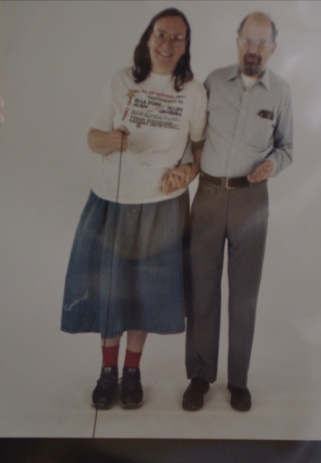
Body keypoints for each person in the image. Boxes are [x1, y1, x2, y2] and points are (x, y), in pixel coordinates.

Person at [0, 34, 321, 388]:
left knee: (156, 298)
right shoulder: (92, 91)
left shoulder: (226, 126)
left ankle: (139, 375)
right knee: (114, 296)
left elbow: (307, 286)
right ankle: (116, 374)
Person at [60, 7, 206, 410]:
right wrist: (112, 141)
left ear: (186, 45)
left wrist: (187, 173)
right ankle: (106, 372)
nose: (167, 43)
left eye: (177, 37)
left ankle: (132, 372)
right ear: (148, 37)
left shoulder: (193, 92)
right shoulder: (121, 80)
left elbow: (199, 150)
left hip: (161, 206)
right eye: (161, 34)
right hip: (112, 200)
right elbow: (92, 138)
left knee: (142, 292)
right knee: (110, 288)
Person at [182, 12, 291, 413]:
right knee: (202, 290)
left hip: (251, 202)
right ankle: (199, 376)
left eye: (262, 43)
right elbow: (193, 132)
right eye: (248, 40)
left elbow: (287, 147)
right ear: (237, 41)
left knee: (243, 297)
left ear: (273, 49)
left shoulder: (280, 92)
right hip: (208, 196)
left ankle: (238, 382)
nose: (254, 49)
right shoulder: (212, 82)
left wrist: (272, 166)